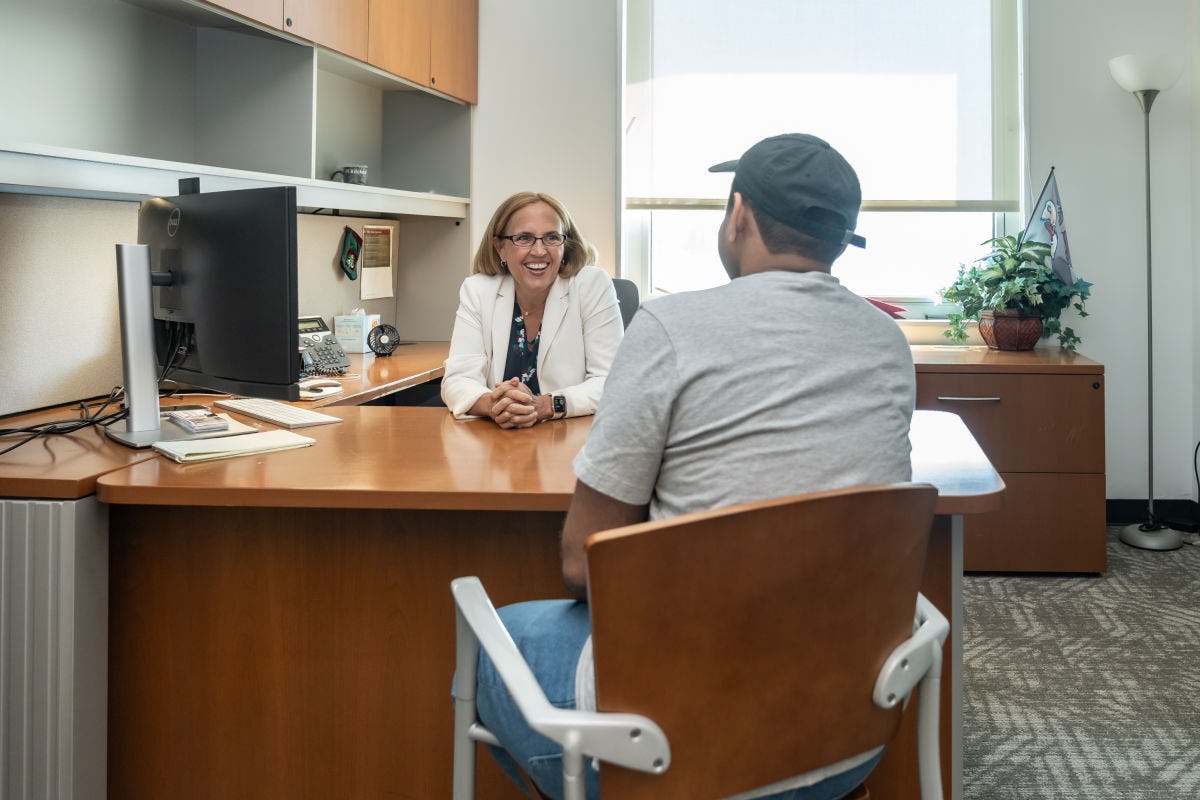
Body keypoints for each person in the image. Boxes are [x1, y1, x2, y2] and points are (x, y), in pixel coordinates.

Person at [468, 134, 917, 799]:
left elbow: (582, 561)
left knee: (494, 641)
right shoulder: (888, 342)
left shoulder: (673, 326)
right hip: (847, 731)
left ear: (739, 215)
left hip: (682, 742)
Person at [441, 192, 624, 428]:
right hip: (498, 445)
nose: (539, 251)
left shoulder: (591, 285)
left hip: (570, 439)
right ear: (500, 248)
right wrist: (494, 404)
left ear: (565, 245)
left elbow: (613, 381)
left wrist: (546, 406)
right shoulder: (477, 290)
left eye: (551, 238)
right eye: (524, 238)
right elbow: (457, 379)